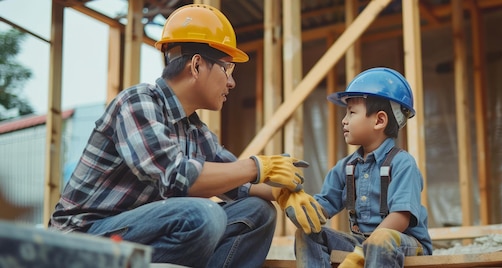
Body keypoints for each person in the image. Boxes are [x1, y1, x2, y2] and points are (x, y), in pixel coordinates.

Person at [48, 4, 325, 267]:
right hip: (82, 239)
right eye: (227, 68)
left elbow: (237, 182)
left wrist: (284, 193)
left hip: (134, 235)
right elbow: (176, 176)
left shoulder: (195, 130)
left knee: (258, 212)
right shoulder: (138, 103)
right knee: (202, 214)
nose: (232, 82)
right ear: (196, 66)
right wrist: (257, 166)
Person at [294, 67, 433, 267]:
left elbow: (401, 218)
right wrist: (297, 204)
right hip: (364, 243)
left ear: (379, 120)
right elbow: (323, 207)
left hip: (406, 244)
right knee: (307, 233)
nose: (344, 120)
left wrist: (362, 251)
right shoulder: (346, 167)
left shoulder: (403, 164)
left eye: (351, 113)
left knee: (381, 239)